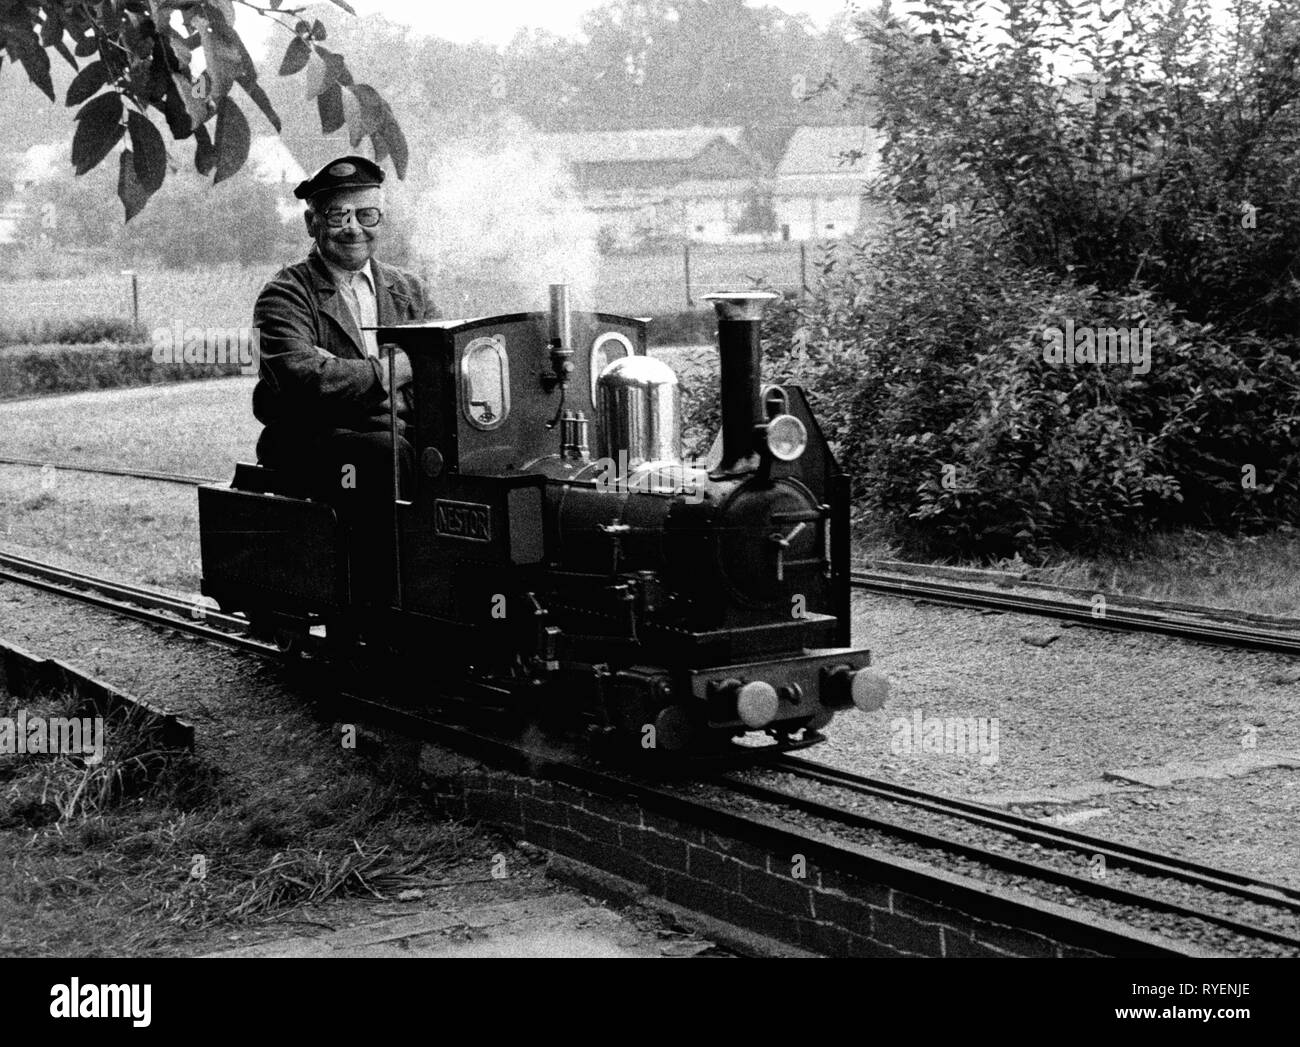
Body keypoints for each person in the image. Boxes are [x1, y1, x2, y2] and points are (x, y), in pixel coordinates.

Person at [251, 154, 439, 604]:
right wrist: (397, 371)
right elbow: (307, 382)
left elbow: (440, 368)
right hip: (307, 442)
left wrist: (350, 378)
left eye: (367, 214)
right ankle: (386, 604)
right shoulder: (285, 294)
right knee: (384, 452)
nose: (354, 227)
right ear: (311, 223)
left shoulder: (409, 289)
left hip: (398, 433)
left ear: (381, 219)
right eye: (338, 215)